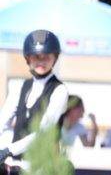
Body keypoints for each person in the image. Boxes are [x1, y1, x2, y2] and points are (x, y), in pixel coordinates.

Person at [0, 29, 70, 159]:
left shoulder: (60, 90)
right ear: (28, 58)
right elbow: (3, 119)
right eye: (36, 56)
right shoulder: (20, 86)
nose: (41, 62)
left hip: (43, 164)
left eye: (46, 57)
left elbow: (43, 131)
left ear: (54, 58)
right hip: (15, 161)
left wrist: (9, 150)